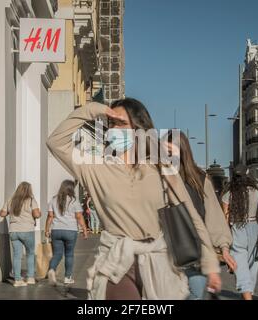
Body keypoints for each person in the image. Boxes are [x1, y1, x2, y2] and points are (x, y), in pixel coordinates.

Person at [47, 98, 221, 300]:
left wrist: (210, 264)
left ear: (139, 129)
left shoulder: (160, 166)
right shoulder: (94, 167)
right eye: (111, 124)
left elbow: (191, 215)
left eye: (121, 123)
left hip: (158, 263)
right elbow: (55, 141)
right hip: (117, 263)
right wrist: (94, 110)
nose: (114, 129)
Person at [165, 131, 233, 300]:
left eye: (170, 149)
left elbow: (213, 216)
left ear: (182, 150)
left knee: (195, 295)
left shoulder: (200, 179)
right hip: (166, 254)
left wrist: (223, 246)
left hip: (194, 252)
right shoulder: (156, 177)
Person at [221, 164, 258, 300]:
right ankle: (248, 294)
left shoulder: (227, 195)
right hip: (255, 228)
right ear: (248, 175)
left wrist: (224, 240)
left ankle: (247, 295)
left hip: (237, 228)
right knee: (253, 265)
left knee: (240, 266)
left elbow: (225, 219)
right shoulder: (257, 191)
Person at [45, 180, 88, 286]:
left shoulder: (54, 200)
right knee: (69, 254)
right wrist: (85, 230)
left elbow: (50, 216)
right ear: (71, 188)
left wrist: (46, 230)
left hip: (56, 230)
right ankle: (67, 277)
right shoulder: (74, 201)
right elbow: (79, 216)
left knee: (57, 254)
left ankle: (51, 269)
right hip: (70, 230)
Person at [0, 182, 41, 287]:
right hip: (27, 230)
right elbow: (36, 214)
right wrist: (37, 213)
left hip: (14, 231)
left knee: (17, 256)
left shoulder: (11, 200)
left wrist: (10, 212)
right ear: (28, 190)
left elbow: (2, 213)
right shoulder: (31, 200)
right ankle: (30, 277)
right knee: (30, 254)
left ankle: (17, 280)